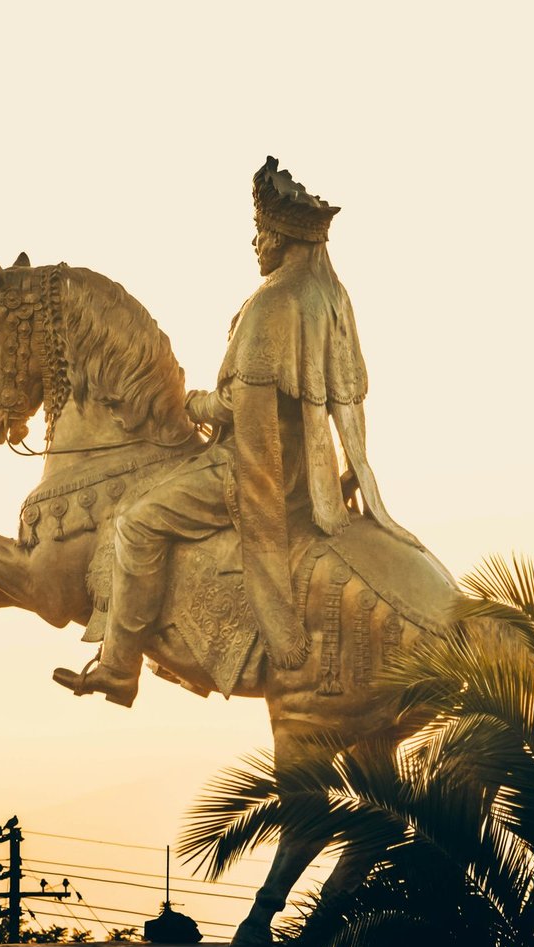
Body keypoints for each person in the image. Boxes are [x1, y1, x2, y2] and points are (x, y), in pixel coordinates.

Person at [52, 157, 409, 707]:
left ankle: (120, 668)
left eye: (262, 234)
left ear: (284, 238)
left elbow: (239, 406)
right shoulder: (331, 301)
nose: (256, 244)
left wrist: (187, 402)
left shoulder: (273, 303)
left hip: (252, 468)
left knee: (136, 523)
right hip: (301, 466)